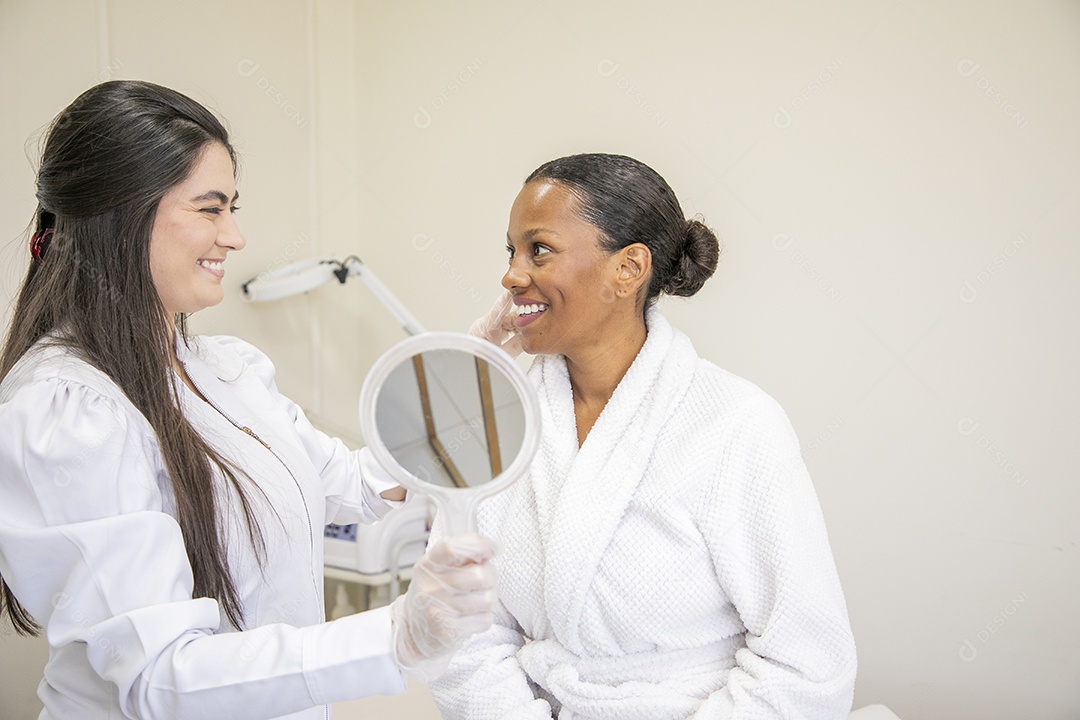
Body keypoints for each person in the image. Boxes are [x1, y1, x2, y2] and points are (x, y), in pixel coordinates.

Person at [0, 80, 496, 720]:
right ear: (118, 213)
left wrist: (468, 375)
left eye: (232, 207)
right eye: (210, 209)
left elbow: (346, 482)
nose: (234, 236)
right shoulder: (67, 411)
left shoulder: (223, 369)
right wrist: (396, 635)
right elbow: (161, 677)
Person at [430, 153, 857, 719]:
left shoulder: (735, 424)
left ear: (628, 269)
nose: (512, 274)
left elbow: (806, 662)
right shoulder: (503, 421)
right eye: (510, 250)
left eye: (539, 249)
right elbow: (461, 629)